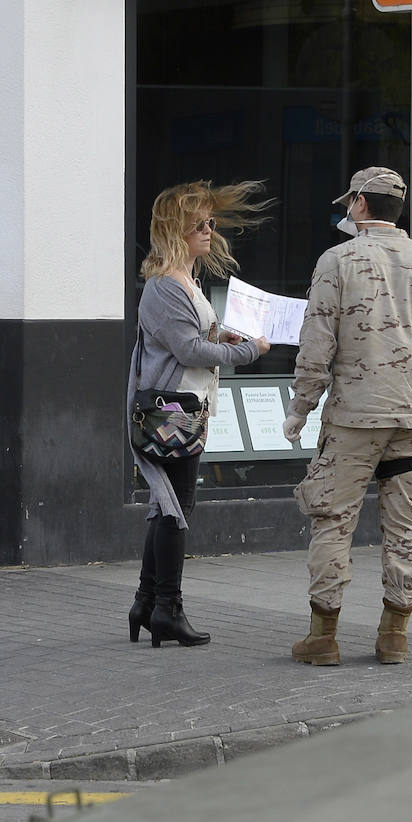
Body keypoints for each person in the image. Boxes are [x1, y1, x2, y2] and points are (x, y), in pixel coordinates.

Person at [281, 166, 412, 665]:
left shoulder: (335, 261)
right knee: (406, 524)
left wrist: (300, 407)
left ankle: (323, 636)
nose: (346, 210)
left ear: (361, 205)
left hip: (354, 419)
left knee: (333, 519)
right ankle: (395, 633)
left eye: (349, 203)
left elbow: (316, 344)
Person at [127, 180, 272, 648]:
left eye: (211, 223)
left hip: (185, 406)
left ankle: (148, 603)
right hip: (173, 409)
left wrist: (224, 335)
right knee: (175, 508)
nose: (210, 230)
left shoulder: (183, 281)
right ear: (178, 228)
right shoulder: (166, 285)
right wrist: (249, 351)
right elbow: (188, 349)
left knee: (166, 505)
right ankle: (167, 607)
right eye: (201, 224)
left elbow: (196, 334)